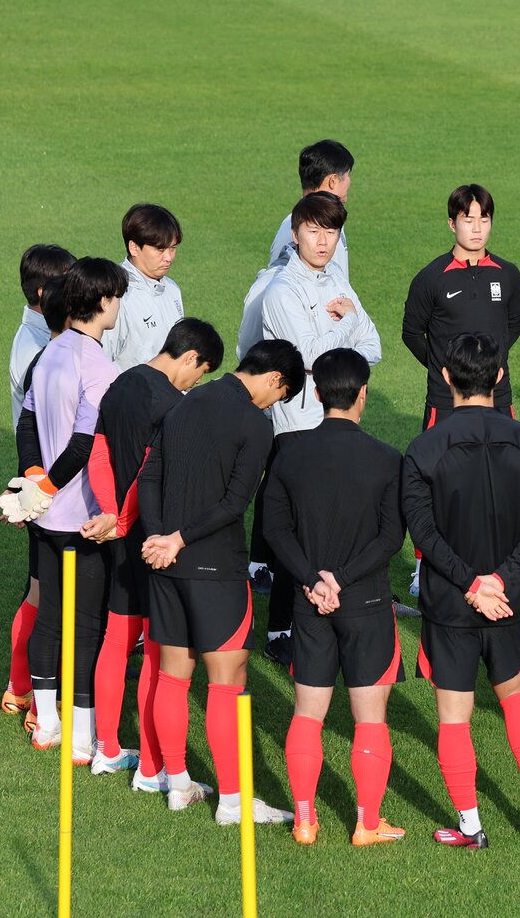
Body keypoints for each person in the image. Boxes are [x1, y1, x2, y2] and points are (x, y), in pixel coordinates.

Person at [401, 333, 520, 849]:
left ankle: (470, 826)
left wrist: (472, 582)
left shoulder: (424, 447)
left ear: (446, 378)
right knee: (515, 695)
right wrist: (502, 579)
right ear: (499, 376)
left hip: (451, 603)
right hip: (508, 601)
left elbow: (422, 532)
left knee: (453, 715)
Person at [137, 339, 303, 824]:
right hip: (213, 567)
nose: (276, 404)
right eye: (282, 395)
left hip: (164, 562)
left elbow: (150, 477)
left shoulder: (185, 402)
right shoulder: (255, 423)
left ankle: (177, 784)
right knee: (227, 681)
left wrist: (158, 538)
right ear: (275, 379)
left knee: (173, 675)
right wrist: (180, 539)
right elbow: (235, 503)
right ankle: (233, 802)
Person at [265, 349, 408, 846]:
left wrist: (314, 579)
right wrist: (342, 578)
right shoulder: (389, 459)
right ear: (363, 393)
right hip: (365, 602)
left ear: (318, 392)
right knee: (370, 717)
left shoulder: (289, 453)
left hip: (309, 602)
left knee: (308, 712)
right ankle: (367, 823)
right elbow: (391, 539)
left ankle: (305, 820)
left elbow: (273, 530)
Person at [81, 319, 224, 784]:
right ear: (190, 358)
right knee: (159, 653)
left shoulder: (121, 381)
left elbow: (99, 451)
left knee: (116, 641)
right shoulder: (170, 405)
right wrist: (123, 520)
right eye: (200, 373)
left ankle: (106, 748)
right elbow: (148, 473)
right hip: (153, 540)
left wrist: (109, 514)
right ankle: (150, 765)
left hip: (118, 537)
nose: (196, 383)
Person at [257, 191, 388, 663]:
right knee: (294, 529)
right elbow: (308, 358)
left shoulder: (338, 281)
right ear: (294, 234)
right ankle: (277, 630)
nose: (322, 240)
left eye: (330, 231)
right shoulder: (281, 291)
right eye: (313, 230)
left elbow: (372, 346)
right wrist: (345, 325)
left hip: (336, 417)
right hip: (296, 422)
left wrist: (345, 326)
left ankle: (325, 607)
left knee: (333, 523)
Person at [11, 257, 127, 759]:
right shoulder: (99, 366)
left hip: (42, 518)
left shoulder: (49, 352)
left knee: (49, 617)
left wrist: (35, 484)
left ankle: (47, 724)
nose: (120, 304)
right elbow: (85, 445)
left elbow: (25, 427)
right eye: (117, 297)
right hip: (81, 518)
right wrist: (51, 489)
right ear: (101, 302)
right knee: (86, 626)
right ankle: (82, 738)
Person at [401, 184, 520, 598]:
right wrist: (443, 370)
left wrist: (495, 364)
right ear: (451, 222)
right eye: (468, 219)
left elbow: (515, 325)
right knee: (433, 483)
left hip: (496, 400)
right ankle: (423, 567)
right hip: (445, 401)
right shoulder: (431, 278)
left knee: (498, 481)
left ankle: (495, 565)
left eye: (484, 219)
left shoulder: (507, 274)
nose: (476, 228)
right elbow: (412, 332)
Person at [2, 244, 74, 722]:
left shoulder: (36, 338)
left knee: (42, 590)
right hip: (51, 484)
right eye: (70, 284)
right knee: (48, 595)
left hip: (41, 480)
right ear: (47, 293)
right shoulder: (42, 351)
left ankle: (20, 688)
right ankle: (34, 697)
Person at [103, 204, 185, 372]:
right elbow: (101, 361)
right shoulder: (115, 294)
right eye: (160, 249)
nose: (169, 257)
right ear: (134, 247)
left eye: (173, 248)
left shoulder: (172, 289)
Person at [269, 139, 354, 280]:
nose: (350, 181)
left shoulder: (329, 218)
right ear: (333, 181)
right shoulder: (297, 226)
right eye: (347, 175)